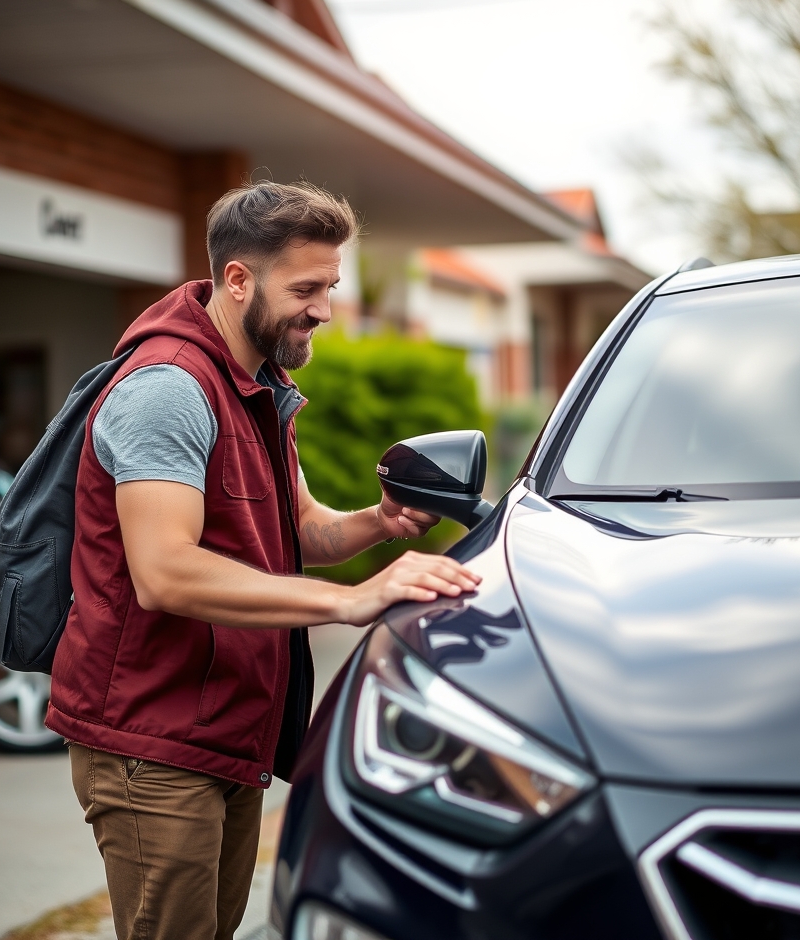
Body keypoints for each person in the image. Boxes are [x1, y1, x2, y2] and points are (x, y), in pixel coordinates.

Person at [45, 181, 481, 940]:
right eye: (306, 288)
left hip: (225, 730)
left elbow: (300, 531)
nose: (324, 310)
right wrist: (350, 601)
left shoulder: (258, 384)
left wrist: (378, 525)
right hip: (154, 741)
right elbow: (165, 572)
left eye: (331, 287)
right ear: (238, 279)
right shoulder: (169, 390)